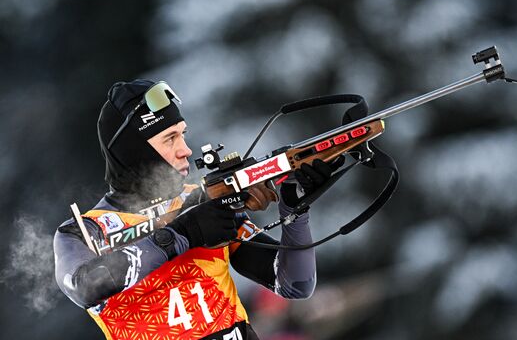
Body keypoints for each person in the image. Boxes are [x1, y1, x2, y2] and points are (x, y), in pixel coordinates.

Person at [54, 79, 343, 340]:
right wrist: (183, 233)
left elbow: (295, 285)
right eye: (169, 138)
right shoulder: (85, 230)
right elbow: (84, 287)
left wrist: (294, 211)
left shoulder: (202, 201)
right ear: (134, 149)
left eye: (182, 134)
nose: (185, 149)